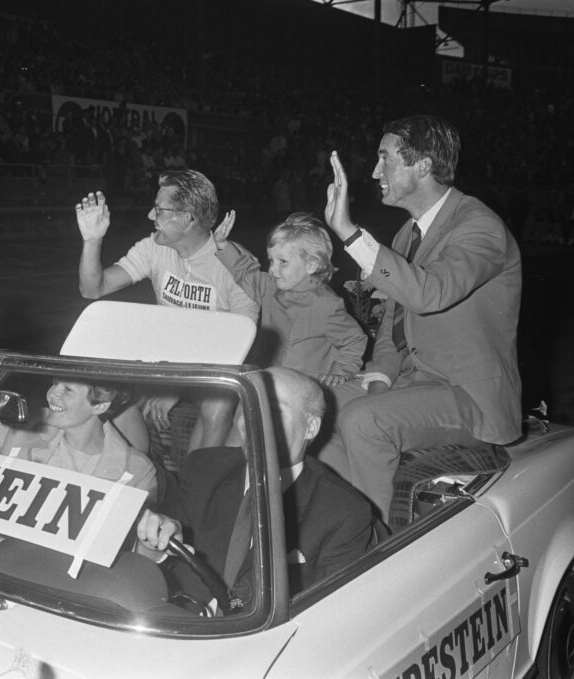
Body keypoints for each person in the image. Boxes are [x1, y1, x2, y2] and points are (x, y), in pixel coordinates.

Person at [319, 114, 522, 523]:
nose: (375, 172)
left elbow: (430, 293)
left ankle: (375, 544)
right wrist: (380, 376)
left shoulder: (480, 226)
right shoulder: (406, 234)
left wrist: (349, 233)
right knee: (315, 407)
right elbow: (393, 325)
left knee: (363, 421)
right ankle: (347, 524)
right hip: (417, 383)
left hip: (468, 395)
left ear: (424, 165)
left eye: (385, 159)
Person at [135, 367, 375, 608]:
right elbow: (154, 572)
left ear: (310, 427)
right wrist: (155, 547)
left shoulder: (343, 512)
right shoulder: (203, 469)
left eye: (273, 410)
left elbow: (329, 612)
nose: (253, 420)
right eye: (248, 405)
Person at [76, 169, 259, 454]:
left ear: (186, 219)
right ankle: (140, 470)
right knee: (108, 398)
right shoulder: (153, 248)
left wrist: (177, 386)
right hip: (167, 361)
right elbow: (93, 289)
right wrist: (92, 240)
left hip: (215, 366)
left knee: (217, 406)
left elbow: (239, 345)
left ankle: (198, 477)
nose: (151, 215)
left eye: (159, 210)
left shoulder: (237, 264)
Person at [0, 365, 158, 506]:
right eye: (55, 383)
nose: (52, 394)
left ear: (100, 406)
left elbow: (137, 553)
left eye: (68, 390)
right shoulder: (28, 429)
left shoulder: (137, 471)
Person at [213, 210, 367, 385]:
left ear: (311, 265)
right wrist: (223, 245)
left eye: (283, 262)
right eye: (271, 260)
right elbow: (245, 273)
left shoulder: (326, 305)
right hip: (270, 379)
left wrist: (340, 372)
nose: (272, 269)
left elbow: (354, 339)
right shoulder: (269, 286)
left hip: (307, 386)